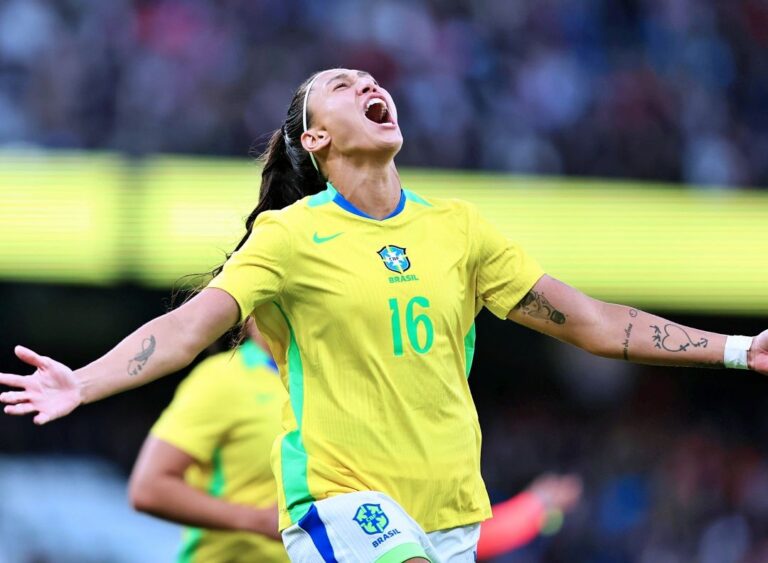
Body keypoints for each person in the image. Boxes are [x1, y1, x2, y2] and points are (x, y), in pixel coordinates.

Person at [0, 68, 765, 563]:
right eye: (339, 84)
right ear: (317, 138)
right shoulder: (291, 236)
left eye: (369, 77)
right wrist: (85, 381)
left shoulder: (459, 229)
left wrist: (738, 350)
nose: (366, 81)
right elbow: (188, 327)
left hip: (451, 515)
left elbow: (596, 323)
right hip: (340, 506)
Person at [128, 319, 288, 562]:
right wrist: (259, 521)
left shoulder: (334, 381)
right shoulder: (221, 379)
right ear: (248, 315)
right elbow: (149, 488)